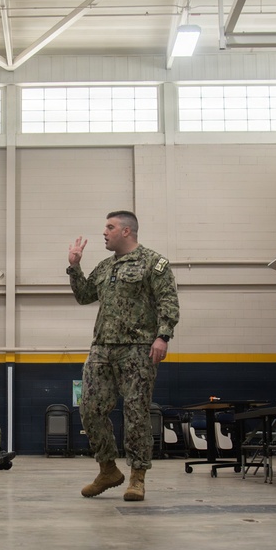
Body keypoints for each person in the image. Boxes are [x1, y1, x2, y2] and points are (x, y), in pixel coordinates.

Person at [67, 210, 180, 502]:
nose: (104, 232)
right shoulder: (105, 267)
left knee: (136, 413)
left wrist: (162, 336)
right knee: (89, 409)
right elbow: (83, 296)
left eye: (110, 227)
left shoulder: (153, 263)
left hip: (138, 348)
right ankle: (108, 470)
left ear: (126, 231)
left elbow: (167, 299)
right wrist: (75, 266)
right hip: (102, 347)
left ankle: (137, 477)